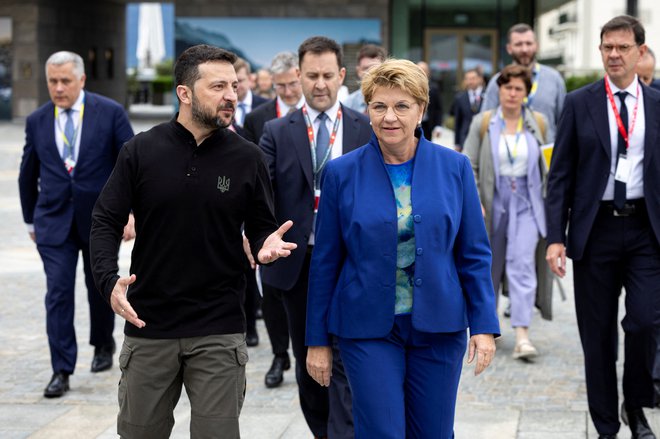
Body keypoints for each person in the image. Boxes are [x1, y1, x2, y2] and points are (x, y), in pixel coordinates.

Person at [89, 44, 297, 438]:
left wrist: (266, 247)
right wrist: (107, 280)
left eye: (234, 86)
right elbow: (104, 219)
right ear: (185, 93)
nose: (231, 96)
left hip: (218, 326)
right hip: (148, 324)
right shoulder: (140, 151)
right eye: (218, 86)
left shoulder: (247, 157)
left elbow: (260, 226)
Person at [305, 58, 499, 438]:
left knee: (434, 433)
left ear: (421, 110)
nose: (389, 117)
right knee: (381, 432)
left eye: (401, 106)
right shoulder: (341, 173)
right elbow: (325, 261)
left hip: (439, 327)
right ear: (367, 110)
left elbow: (474, 254)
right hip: (367, 328)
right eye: (379, 106)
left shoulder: (455, 167)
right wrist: (317, 341)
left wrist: (485, 325)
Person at [545, 15, 660, 439]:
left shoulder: (658, 105)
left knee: (646, 323)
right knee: (597, 337)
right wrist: (556, 236)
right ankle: (606, 426)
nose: (613, 54)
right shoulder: (580, 103)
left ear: (640, 52)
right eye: (607, 47)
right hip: (596, 233)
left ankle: (637, 407)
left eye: (622, 47)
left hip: (647, 231)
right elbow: (559, 175)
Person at [260, 36, 372, 439]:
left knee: (352, 358)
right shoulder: (276, 131)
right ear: (298, 77)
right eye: (311, 76)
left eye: (328, 75)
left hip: (355, 262)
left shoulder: (366, 127)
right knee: (310, 360)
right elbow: (262, 195)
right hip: (299, 265)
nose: (320, 84)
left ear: (342, 76)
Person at [17, 51, 134, 398]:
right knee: (57, 292)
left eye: (65, 80)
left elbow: (129, 166)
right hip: (52, 222)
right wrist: (29, 219)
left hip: (100, 219)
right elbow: (28, 173)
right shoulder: (37, 119)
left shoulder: (109, 112)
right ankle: (61, 369)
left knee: (99, 286)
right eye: (52, 81)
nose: (58, 88)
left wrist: (131, 212)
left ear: (82, 80)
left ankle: (102, 344)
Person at [463, 64, 549, 360]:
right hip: (492, 201)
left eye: (518, 89)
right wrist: (475, 200)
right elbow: (468, 164)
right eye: (507, 87)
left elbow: (549, 164)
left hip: (527, 202)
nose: (512, 93)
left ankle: (523, 334)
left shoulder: (538, 122)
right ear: (499, 89)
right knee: (490, 266)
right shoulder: (484, 122)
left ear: (526, 93)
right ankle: (489, 326)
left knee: (522, 263)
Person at [243, 51, 305, 389]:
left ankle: (307, 351)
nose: (289, 91)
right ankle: (280, 354)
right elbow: (251, 174)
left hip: (309, 222)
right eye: (281, 86)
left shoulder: (317, 117)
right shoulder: (259, 119)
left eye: (293, 84)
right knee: (274, 295)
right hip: (272, 222)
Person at [482, 23, 565, 143]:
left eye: (528, 43)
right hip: (507, 155)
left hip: (546, 155)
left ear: (536, 46)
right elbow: (485, 122)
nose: (524, 49)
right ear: (509, 48)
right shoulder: (498, 82)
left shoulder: (554, 79)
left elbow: (563, 123)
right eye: (518, 44)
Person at [343, 44, 387, 113]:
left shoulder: (393, 101)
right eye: (366, 68)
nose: (370, 73)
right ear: (358, 71)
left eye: (375, 68)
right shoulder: (347, 105)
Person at [451, 68, 485, 150]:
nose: (470, 82)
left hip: (483, 138)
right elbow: (458, 121)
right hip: (465, 138)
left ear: (480, 79)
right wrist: (457, 143)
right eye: (468, 79)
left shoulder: (487, 96)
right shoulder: (460, 98)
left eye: (473, 79)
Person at [233, 57, 268, 129]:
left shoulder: (267, 106)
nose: (236, 86)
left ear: (249, 79)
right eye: (232, 82)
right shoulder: (220, 108)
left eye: (240, 80)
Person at [416, 61, 443, 138]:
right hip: (412, 123)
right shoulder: (409, 86)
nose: (422, 72)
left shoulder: (434, 87)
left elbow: (438, 108)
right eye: (419, 69)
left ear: (428, 72)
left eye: (424, 70)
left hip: (427, 124)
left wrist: (438, 126)